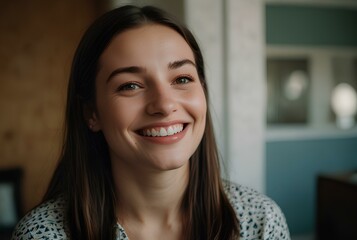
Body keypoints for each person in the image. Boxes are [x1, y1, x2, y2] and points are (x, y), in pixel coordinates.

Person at [12, 5, 290, 240]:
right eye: (130, 85)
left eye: (182, 79)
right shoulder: (43, 234)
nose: (165, 104)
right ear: (91, 113)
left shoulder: (261, 222)